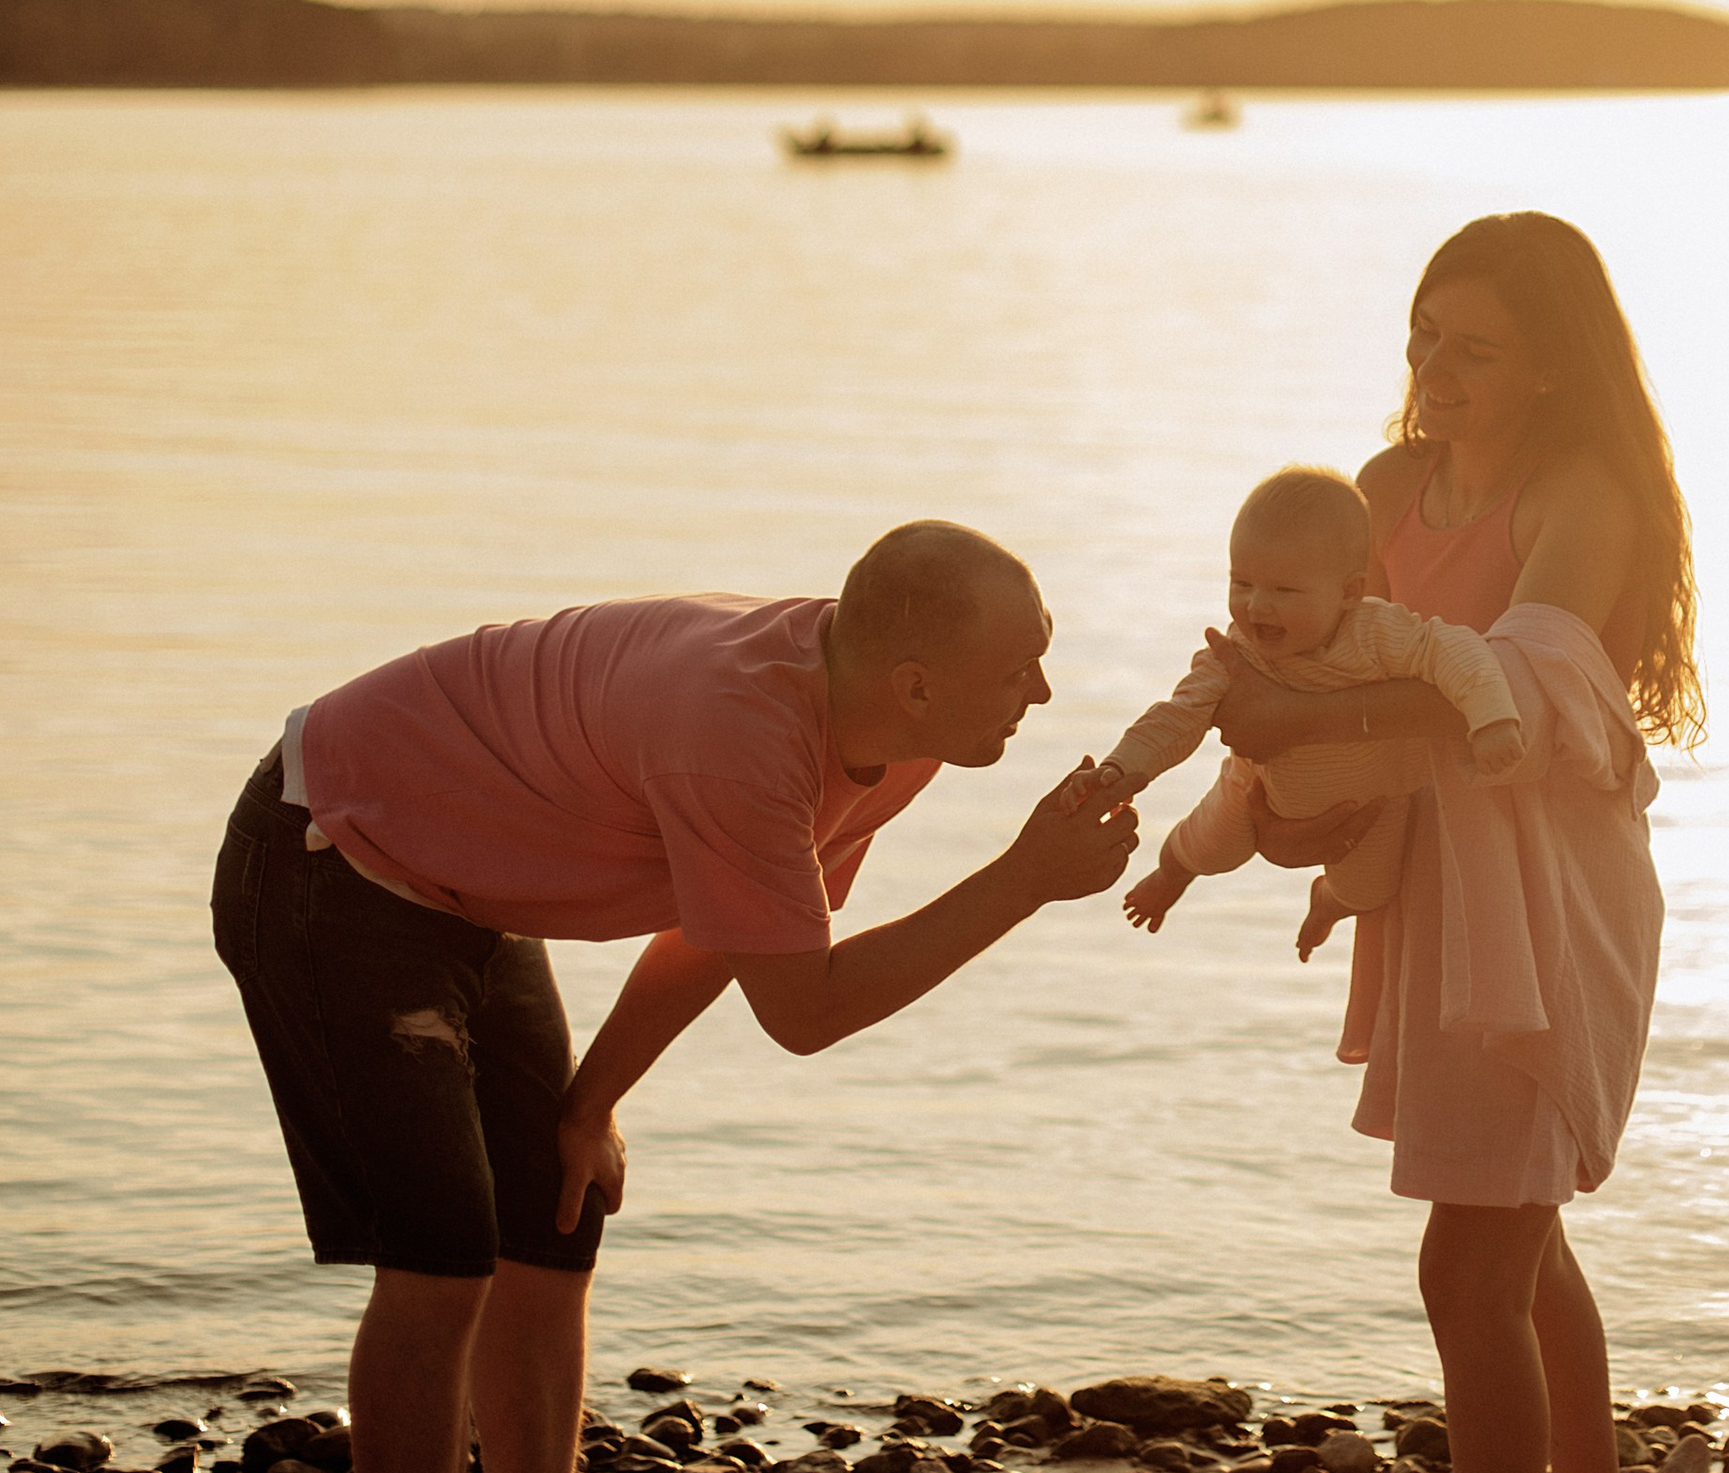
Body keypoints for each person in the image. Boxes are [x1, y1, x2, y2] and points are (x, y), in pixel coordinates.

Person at [210, 520, 1139, 1473]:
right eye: (1021, 667)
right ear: (915, 685)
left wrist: (591, 1102)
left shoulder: (893, 736)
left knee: (553, 1221)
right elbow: (805, 1013)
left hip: (469, 885)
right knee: (441, 1259)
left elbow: (728, 923)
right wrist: (1022, 879)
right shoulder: (740, 731)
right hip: (330, 851)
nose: (1043, 692)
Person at [1206, 214, 1703, 1473]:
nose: (1436, 368)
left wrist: (1309, 713)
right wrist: (1271, 793)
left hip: (1549, 899)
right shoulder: (1380, 495)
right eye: (1425, 335)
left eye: (1475, 348)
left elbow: (1521, 696)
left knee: (1469, 1265)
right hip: (1431, 888)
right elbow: (1307, 673)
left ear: (1549, 364)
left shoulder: (1582, 494)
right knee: (1519, 1246)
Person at [1097, 466, 1525, 955]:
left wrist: (1491, 718)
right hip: (1255, 789)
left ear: (1347, 592)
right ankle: (1172, 875)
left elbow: (1454, 650)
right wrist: (1123, 770)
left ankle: (1329, 901)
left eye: (1284, 591)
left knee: (1370, 891)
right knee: (1211, 847)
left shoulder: (1376, 634)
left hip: (1374, 798)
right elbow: (1176, 717)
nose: (1257, 607)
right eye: (1242, 583)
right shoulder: (1235, 656)